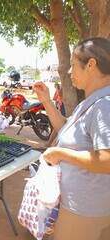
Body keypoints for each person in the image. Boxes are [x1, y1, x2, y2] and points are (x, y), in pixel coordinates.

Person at [33, 37, 110, 240]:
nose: (69, 72)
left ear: (91, 65)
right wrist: (46, 101)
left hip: (87, 211)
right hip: (81, 206)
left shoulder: (105, 105)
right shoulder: (92, 101)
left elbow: (108, 160)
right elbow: (67, 131)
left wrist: (61, 154)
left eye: (74, 65)